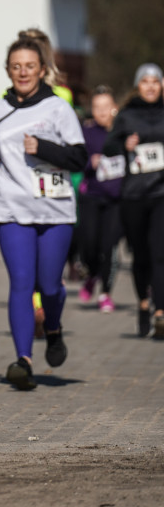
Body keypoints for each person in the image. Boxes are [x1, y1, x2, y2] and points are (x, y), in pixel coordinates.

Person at [0, 37, 87, 390]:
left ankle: (53, 328)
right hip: (11, 207)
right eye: (16, 66)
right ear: (8, 70)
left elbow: (79, 158)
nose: (23, 72)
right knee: (22, 284)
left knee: (50, 286)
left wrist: (44, 148)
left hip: (54, 210)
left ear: (42, 70)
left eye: (30, 66)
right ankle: (23, 360)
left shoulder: (58, 108)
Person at [103, 63, 164, 338]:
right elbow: (109, 146)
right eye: (145, 81)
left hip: (161, 193)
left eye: (156, 81)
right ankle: (142, 304)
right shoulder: (127, 116)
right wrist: (124, 144)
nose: (151, 86)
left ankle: (160, 311)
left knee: (160, 253)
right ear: (138, 85)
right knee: (141, 256)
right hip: (134, 196)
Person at [77, 86, 123, 311]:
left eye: (106, 107)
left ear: (114, 108)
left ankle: (105, 292)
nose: (102, 112)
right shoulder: (87, 132)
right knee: (90, 246)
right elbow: (77, 158)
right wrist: (90, 163)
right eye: (97, 107)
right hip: (92, 197)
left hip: (116, 200)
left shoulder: (123, 132)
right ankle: (91, 274)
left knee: (109, 248)